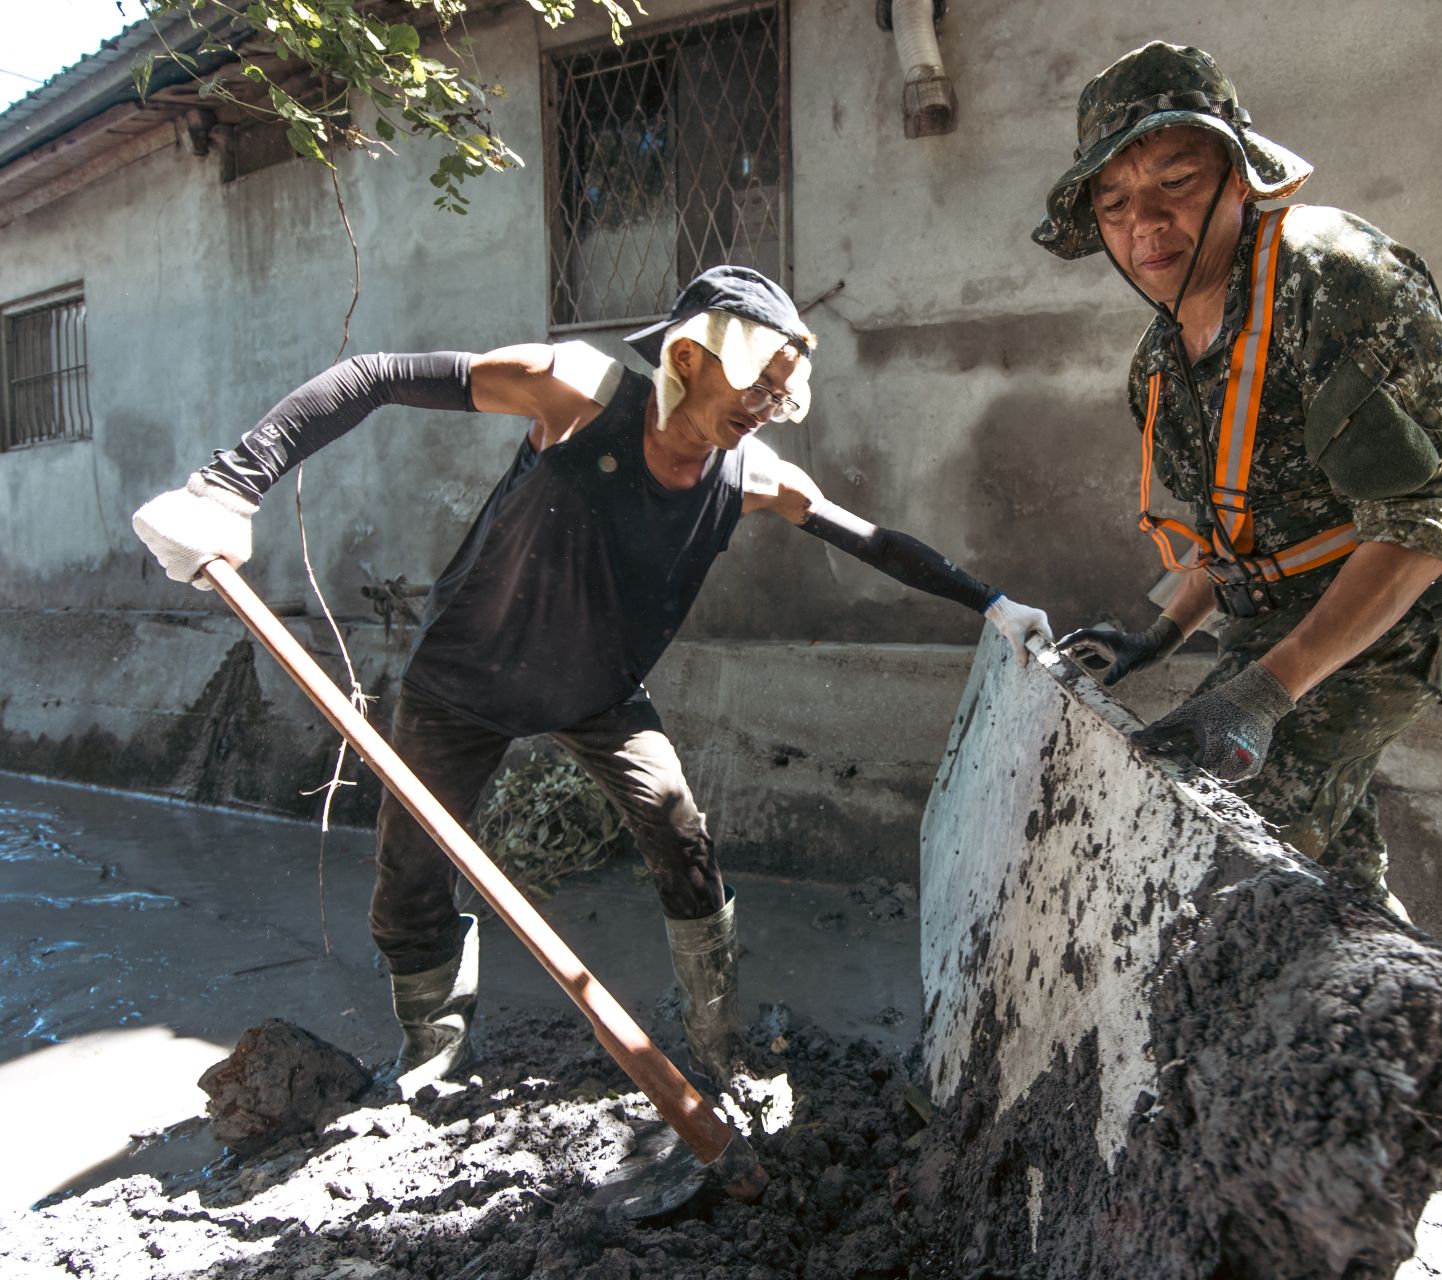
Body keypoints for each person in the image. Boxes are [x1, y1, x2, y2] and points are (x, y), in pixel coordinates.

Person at [132, 266, 1052, 1099]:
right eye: (754, 382)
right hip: (466, 675)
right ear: (690, 356)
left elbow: (874, 539)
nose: (767, 406)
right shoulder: (578, 391)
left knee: (680, 831)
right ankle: (429, 1060)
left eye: (781, 391)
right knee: (409, 872)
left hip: (597, 688)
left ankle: (718, 1040)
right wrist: (228, 484)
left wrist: (992, 602)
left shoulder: (750, 473)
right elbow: (373, 377)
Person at [1039, 42, 1442, 1199]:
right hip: (1271, 627)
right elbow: (1226, 542)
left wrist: (1264, 690)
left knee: (1220, 851)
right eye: (1114, 202)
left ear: (1240, 175)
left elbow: (1419, 528)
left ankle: (1206, 1150)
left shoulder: (1336, 279)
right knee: (1337, 874)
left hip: (1386, 622)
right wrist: (1150, 630)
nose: (1144, 223)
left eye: (1173, 185)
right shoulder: (1163, 359)